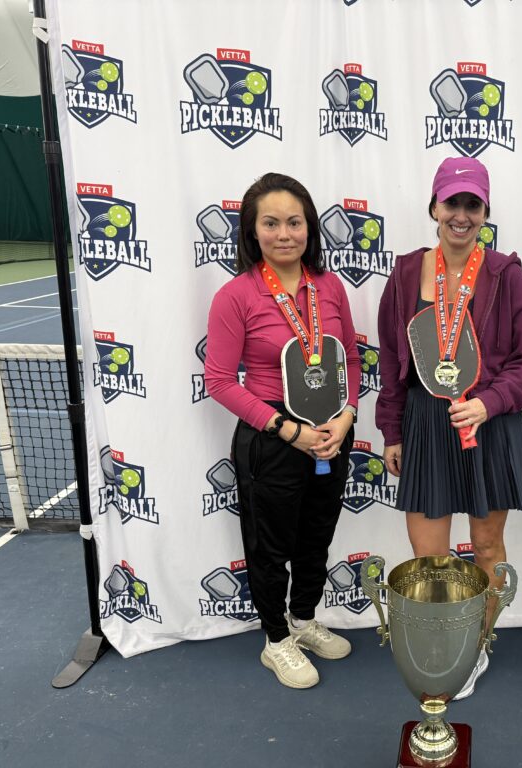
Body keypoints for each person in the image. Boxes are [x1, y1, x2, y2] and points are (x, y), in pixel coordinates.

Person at [375, 156, 522, 699]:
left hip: (488, 424)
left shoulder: (507, 276)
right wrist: (392, 430)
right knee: (428, 558)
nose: (461, 214)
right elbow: (390, 360)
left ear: (485, 213)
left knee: (486, 546)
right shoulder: (406, 274)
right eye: (452, 202)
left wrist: (490, 403)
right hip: (427, 425)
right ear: (434, 207)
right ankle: (438, 644)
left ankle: (476, 645)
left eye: (472, 204)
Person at [205, 173, 361, 689]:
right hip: (272, 436)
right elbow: (221, 381)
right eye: (270, 223)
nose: (284, 233)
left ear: (309, 228)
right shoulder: (236, 295)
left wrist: (347, 416)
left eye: (294, 222)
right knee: (270, 546)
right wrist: (285, 429)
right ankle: (276, 640)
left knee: (315, 535)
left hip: (330, 434)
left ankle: (304, 619)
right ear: (253, 231)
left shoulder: (330, 286)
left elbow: (351, 362)